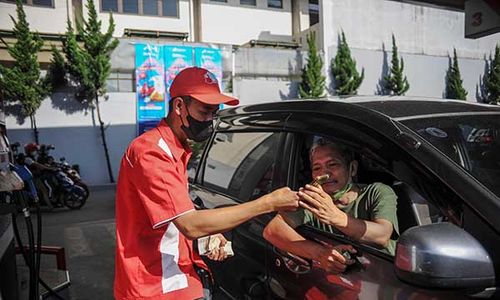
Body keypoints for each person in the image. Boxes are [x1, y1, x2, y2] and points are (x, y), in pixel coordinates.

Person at [114, 67, 300, 300]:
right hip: (154, 286)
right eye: (205, 111)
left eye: (215, 112)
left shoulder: (178, 150)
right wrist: (268, 203)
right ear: (179, 107)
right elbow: (189, 224)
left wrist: (206, 236)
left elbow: (171, 218)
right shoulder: (151, 152)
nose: (211, 120)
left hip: (180, 275)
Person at [264, 138, 399, 272]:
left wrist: (334, 216)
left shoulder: (377, 192)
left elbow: (382, 235)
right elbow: (273, 230)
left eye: (332, 164)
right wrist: (321, 254)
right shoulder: (313, 199)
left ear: (352, 168)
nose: (324, 174)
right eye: (317, 167)